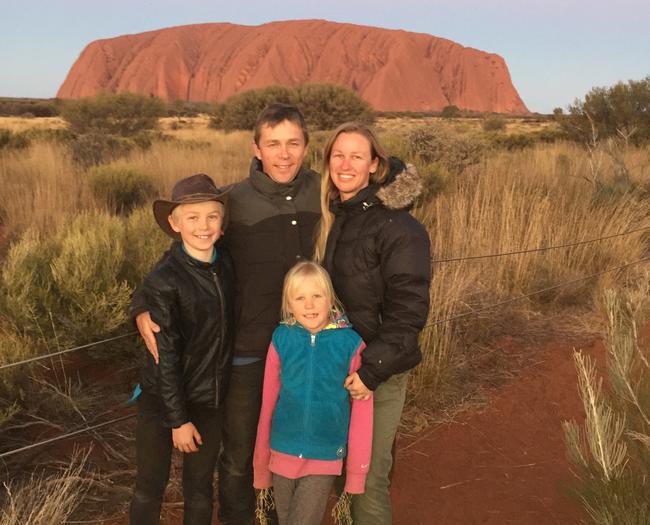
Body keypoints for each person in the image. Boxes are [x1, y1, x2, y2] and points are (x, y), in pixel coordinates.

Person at [132, 103, 321, 525]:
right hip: (246, 353)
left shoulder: (323, 191)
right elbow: (180, 261)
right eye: (273, 144)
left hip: (306, 347)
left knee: (291, 442)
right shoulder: (232, 202)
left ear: (307, 147)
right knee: (239, 455)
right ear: (256, 148)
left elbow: (373, 181)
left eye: (293, 143)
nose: (284, 154)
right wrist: (141, 306)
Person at [314, 122, 431, 525]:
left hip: (374, 374)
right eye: (338, 155)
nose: (345, 165)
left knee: (365, 479)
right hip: (338, 367)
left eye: (357, 156)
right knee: (340, 472)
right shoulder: (336, 216)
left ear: (374, 165)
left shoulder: (398, 227)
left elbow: (409, 311)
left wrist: (372, 370)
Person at [129, 173, 234, 525]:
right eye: (192, 217)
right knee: (150, 484)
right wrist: (178, 419)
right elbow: (166, 356)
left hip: (209, 397)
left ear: (222, 221)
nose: (203, 226)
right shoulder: (165, 280)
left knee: (200, 487)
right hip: (163, 399)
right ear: (174, 223)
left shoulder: (227, 263)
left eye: (212, 216)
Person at [253, 261, 373, 525]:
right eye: (300, 298)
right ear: (289, 303)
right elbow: (268, 402)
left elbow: (363, 412)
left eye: (317, 296)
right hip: (282, 450)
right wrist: (261, 463)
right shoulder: (281, 338)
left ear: (330, 299)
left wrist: (356, 472)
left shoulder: (350, 344)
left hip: (324, 452)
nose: (309, 305)